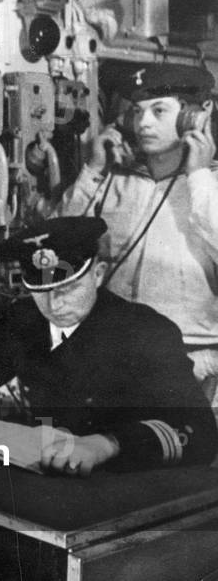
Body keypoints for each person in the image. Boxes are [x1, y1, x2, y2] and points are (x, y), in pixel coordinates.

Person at [0, 216, 218, 476]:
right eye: (41, 289)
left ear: (98, 274)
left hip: (124, 484)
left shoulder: (145, 331)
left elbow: (200, 432)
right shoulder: (27, 319)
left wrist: (105, 445)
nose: (54, 303)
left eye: (68, 287)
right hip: (47, 477)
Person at [56, 64, 218, 407]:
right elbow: (55, 245)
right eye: (137, 112)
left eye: (159, 110)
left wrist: (199, 176)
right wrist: (93, 171)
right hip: (114, 358)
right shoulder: (116, 179)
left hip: (191, 364)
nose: (143, 123)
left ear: (198, 116)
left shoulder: (210, 187)